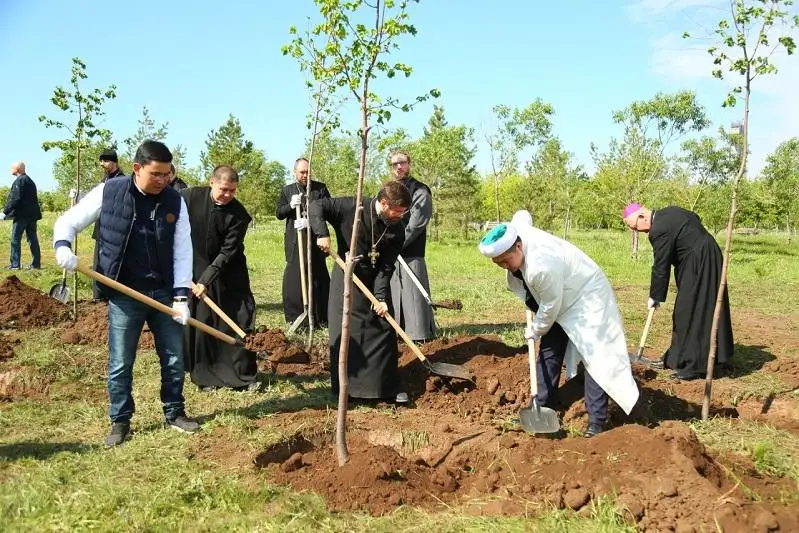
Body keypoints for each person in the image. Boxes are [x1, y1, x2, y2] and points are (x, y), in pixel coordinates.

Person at [53, 140, 200, 447]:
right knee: (121, 362)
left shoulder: (174, 200)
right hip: (124, 293)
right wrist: (62, 245)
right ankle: (120, 421)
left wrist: (182, 296)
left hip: (162, 292)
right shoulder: (110, 191)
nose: (162, 180)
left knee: (174, 358)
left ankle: (175, 412)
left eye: (167, 175)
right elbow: (68, 221)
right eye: (156, 174)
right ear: (137, 168)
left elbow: (183, 250)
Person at [479, 210, 639, 437]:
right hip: (560, 292)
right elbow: (522, 215)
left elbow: (550, 307)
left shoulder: (540, 266)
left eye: (506, 261)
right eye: (499, 264)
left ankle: (596, 421)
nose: (505, 266)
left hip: (586, 297)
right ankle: (543, 405)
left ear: (518, 247)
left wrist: (535, 330)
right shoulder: (517, 234)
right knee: (550, 348)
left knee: (596, 357)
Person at [309, 181, 410, 403]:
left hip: (374, 280)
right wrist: (321, 233)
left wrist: (381, 297)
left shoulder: (397, 229)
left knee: (383, 327)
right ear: (384, 203)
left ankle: (385, 388)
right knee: (347, 332)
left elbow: (386, 267)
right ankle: (349, 390)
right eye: (398, 211)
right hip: (346, 277)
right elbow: (315, 206)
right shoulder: (352, 207)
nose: (401, 216)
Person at [622, 204, 734, 380]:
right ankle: (676, 359)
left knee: (691, 311)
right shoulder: (669, 211)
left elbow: (661, 265)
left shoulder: (658, 229)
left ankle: (695, 365)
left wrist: (655, 295)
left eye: (635, 227)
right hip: (706, 255)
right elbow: (694, 218)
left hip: (699, 262)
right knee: (701, 307)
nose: (638, 232)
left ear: (642, 216)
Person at [181, 165, 258, 391]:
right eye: (224, 189)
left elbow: (228, 252)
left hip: (228, 271)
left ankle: (240, 374)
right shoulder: (189, 197)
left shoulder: (239, 215)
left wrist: (205, 280)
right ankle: (205, 376)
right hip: (193, 266)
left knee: (239, 316)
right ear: (212, 182)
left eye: (232, 191)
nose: (227, 195)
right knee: (204, 320)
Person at [276, 157, 331, 328]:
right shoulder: (287, 190)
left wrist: (312, 222)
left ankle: (322, 316)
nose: (305, 175)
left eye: (308, 172)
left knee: (319, 276)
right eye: (302, 172)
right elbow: (279, 213)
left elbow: (329, 210)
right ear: (294, 172)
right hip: (295, 240)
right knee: (295, 278)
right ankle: (296, 316)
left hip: (316, 238)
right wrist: (291, 206)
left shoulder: (320, 189)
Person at [388, 151, 436, 342]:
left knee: (413, 296)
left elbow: (416, 223)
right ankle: (397, 332)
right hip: (391, 252)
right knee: (393, 292)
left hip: (412, 251)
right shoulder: (389, 190)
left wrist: (398, 243)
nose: (398, 167)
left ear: (409, 164)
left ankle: (418, 334)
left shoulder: (420, 190)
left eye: (402, 163)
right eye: (394, 164)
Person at [92, 149, 126, 298]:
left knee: (112, 263)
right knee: (98, 263)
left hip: (115, 230)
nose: (102, 164)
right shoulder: (104, 181)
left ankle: (112, 294)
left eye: (105, 161)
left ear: (114, 162)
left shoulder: (122, 181)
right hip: (101, 228)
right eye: (101, 161)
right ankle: (98, 294)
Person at [2, 162, 42, 270]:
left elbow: (15, 199)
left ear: (17, 169)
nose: (10, 169)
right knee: (32, 239)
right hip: (32, 215)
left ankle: (15, 265)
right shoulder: (30, 181)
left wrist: (5, 212)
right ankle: (36, 264)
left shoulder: (19, 181)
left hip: (22, 216)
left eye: (12, 167)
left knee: (15, 239)